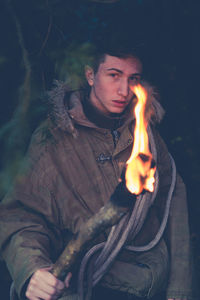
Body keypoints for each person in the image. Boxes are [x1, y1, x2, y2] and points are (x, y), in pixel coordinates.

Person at [0, 40, 195, 300]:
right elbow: (22, 215)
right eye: (114, 75)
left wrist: (180, 289)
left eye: (133, 78)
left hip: (154, 281)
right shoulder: (54, 139)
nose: (125, 90)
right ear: (90, 75)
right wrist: (33, 271)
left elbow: (174, 203)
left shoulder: (145, 131)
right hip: (92, 285)